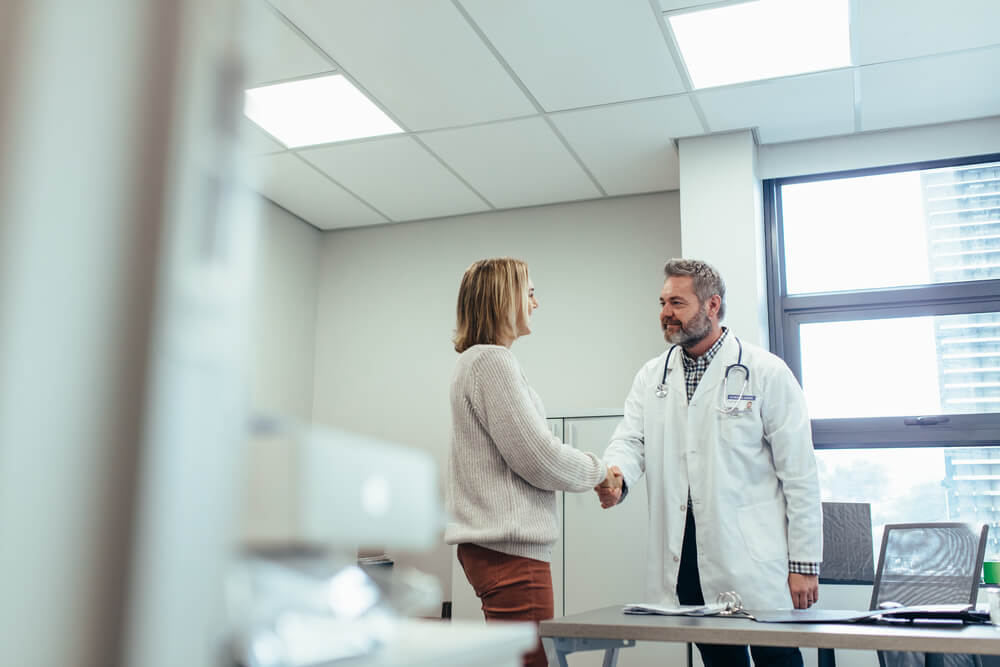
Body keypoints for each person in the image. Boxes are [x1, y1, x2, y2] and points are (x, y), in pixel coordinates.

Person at [596, 258, 822, 667]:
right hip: (686, 558)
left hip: (756, 557)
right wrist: (617, 476)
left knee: (779, 658)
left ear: (712, 305)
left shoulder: (765, 372)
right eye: (663, 302)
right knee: (719, 661)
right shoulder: (652, 377)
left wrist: (804, 565)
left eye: (677, 303)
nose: (666, 313)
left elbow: (800, 475)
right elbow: (630, 440)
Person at [444, 257, 621, 667]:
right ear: (504, 298)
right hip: (510, 552)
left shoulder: (478, 362)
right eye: (530, 292)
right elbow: (538, 458)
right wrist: (599, 472)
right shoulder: (491, 362)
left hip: (497, 549)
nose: (535, 303)